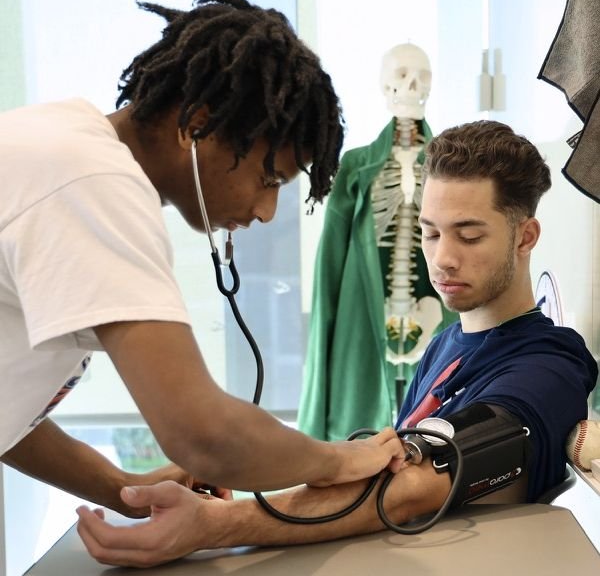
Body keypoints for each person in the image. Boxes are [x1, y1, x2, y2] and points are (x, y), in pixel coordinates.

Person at [76, 120, 597, 567]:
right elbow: (388, 467)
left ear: (525, 237)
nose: (442, 259)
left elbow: (417, 486)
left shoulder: (550, 362)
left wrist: (216, 525)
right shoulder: (444, 345)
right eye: (431, 233)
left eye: (469, 234)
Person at [0, 0, 406, 521]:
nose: (265, 211)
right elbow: (203, 434)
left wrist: (123, 487)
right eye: (268, 178)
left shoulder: (63, 148)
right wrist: (335, 459)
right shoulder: (90, 181)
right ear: (197, 123)